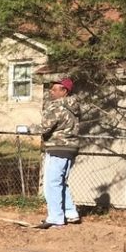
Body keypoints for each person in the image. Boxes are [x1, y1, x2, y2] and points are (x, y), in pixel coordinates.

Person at [36, 77, 82, 229]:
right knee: (61, 182)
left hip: (57, 148)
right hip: (71, 149)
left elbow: (44, 127)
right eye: (52, 88)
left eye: (56, 89)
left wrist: (29, 129)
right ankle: (70, 213)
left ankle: (56, 218)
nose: (52, 91)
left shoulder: (57, 107)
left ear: (64, 91)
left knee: (52, 184)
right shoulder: (73, 107)